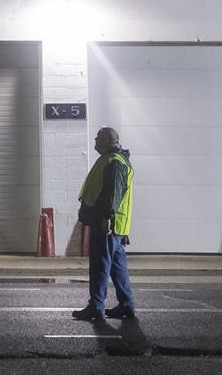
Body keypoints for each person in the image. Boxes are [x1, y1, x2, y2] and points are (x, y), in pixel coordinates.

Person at [73, 126, 136, 320]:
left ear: (108, 141)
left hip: (107, 226)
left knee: (100, 265)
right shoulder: (114, 161)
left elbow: (113, 194)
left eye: (98, 137)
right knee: (118, 268)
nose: (94, 139)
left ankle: (96, 306)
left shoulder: (114, 163)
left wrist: (107, 218)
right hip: (116, 227)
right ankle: (126, 304)